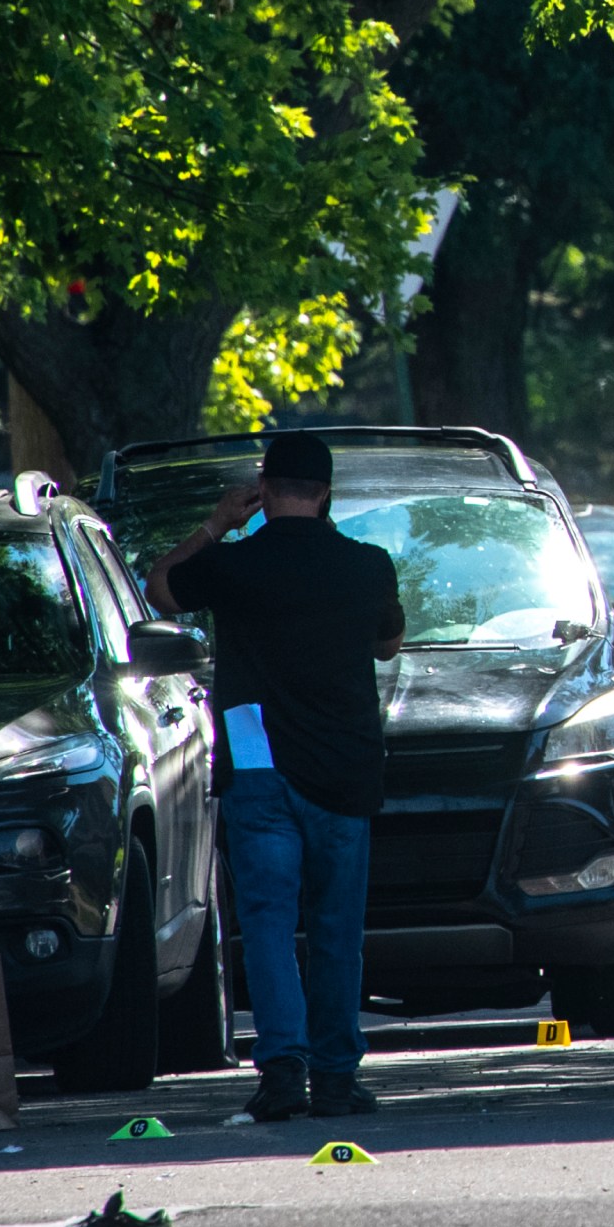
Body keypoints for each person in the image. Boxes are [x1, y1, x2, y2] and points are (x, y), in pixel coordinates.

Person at [149, 433, 404, 1120]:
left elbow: (160, 588)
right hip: (344, 768)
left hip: (257, 760)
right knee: (335, 928)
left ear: (263, 488)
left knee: (266, 922)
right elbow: (387, 644)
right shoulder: (367, 566)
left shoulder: (234, 564)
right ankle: (337, 1076)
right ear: (325, 492)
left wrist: (216, 524)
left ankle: (282, 1072)